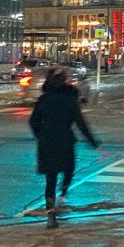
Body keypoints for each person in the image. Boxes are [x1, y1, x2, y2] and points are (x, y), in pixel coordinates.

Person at [29, 65, 100, 228]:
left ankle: (51, 214)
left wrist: (41, 135)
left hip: (47, 142)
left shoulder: (43, 100)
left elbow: (33, 121)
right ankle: (63, 195)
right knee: (68, 170)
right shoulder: (70, 100)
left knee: (50, 178)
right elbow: (81, 124)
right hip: (65, 140)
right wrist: (94, 143)